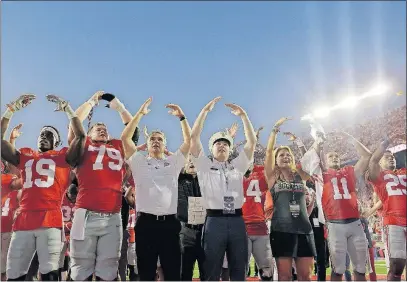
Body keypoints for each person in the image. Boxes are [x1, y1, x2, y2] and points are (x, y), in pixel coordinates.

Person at [1, 94, 85, 281]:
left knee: (50, 274)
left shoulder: (62, 156)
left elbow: (81, 136)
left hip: (51, 220)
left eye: (49, 135)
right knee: (14, 274)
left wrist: (69, 110)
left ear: (57, 142)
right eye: (41, 134)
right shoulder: (25, 156)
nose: (43, 137)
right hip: (23, 220)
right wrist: (11, 110)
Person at [67, 91, 138, 281]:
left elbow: (133, 130)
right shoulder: (83, 145)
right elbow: (74, 123)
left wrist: (118, 105)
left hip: (113, 215)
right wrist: (91, 101)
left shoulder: (117, 145)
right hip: (84, 213)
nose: (103, 129)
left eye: (105, 127)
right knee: (79, 268)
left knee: (108, 269)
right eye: (98, 127)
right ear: (88, 133)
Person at [122, 97, 191, 281]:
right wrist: (140, 114)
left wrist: (182, 117)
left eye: (160, 139)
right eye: (152, 138)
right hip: (146, 224)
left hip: (170, 224)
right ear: (147, 143)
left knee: (173, 273)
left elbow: (189, 142)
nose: (156, 141)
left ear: (165, 144)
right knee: (145, 273)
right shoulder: (139, 161)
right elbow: (125, 138)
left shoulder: (173, 162)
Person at [189, 97, 256, 281]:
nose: (222, 145)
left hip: (236, 220)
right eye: (218, 143)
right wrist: (204, 112)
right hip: (214, 221)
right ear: (211, 149)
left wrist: (243, 115)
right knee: (211, 269)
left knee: (239, 269)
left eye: (226, 143)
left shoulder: (237, 165)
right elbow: (193, 138)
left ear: (230, 149)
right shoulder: (203, 165)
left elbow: (252, 142)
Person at [301, 131, 371, 281]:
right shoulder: (321, 174)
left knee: (360, 269)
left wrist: (352, 139)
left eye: (337, 156)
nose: (334, 157)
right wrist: (318, 143)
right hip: (335, 224)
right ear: (324, 160)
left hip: (355, 223)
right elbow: (307, 163)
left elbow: (366, 156)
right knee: (338, 269)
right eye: (331, 156)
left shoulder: (349, 172)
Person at [264, 117, 316, 281]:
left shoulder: (300, 175)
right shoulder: (272, 176)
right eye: (281, 155)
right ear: (276, 160)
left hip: (304, 229)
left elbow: (309, 161)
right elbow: (268, 151)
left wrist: (299, 143)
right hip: (281, 230)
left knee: (305, 276)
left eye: (288, 154)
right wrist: (274, 130)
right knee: (285, 276)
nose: (285, 157)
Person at [367, 139, 406, 281]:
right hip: (393, 221)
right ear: (380, 163)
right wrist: (383, 145)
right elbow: (371, 162)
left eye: (393, 157)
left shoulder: (403, 172)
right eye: (387, 157)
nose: (391, 158)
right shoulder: (379, 176)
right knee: (397, 264)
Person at [242, 165, 274, 280]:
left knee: (267, 271)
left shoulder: (261, 170)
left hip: (260, 227)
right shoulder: (234, 170)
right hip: (241, 228)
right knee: (240, 270)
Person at [177, 155, 205, 281]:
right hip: (185, 231)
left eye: (194, 160)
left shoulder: (206, 180)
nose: (191, 162)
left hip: (206, 231)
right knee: (184, 272)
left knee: (207, 272)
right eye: (188, 161)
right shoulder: (178, 180)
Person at [59, 180, 77, 280]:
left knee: (74, 258)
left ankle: (69, 277)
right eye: (72, 197)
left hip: (74, 234)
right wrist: (65, 225)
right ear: (67, 193)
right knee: (61, 259)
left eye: (75, 197)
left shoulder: (79, 200)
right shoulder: (61, 199)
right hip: (61, 233)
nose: (74, 199)